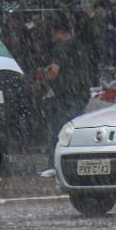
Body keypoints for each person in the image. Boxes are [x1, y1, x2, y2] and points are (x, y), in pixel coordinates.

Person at [39, 14, 91, 177]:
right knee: (75, 130)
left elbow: (54, 72)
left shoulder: (61, 48)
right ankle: (76, 163)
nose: (52, 38)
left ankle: (55, 165)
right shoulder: (80, 45)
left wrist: (42, 77)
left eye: (52, 34)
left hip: (65, 96)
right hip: (80, 94)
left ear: (57, 32)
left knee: (57, 130)